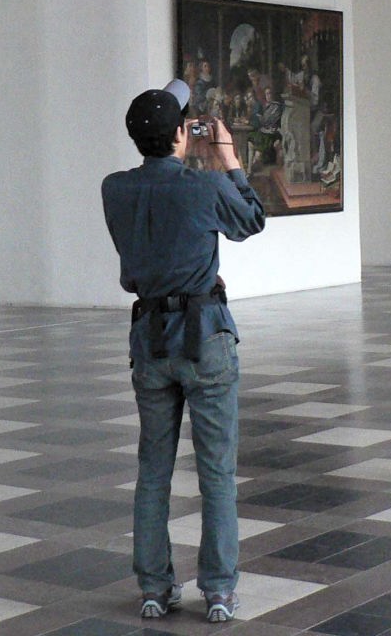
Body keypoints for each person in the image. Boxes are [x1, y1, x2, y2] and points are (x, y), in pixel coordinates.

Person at [101, 79, 265, 623]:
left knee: (153, 471)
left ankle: (154, 587)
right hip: (205, 338)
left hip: (149, 339)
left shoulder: (114, 188)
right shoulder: (204, 185)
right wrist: (227, 157)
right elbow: (252, 220)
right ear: (180, 132)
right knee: (216, 473)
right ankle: (217, 591)